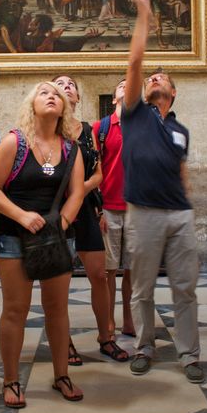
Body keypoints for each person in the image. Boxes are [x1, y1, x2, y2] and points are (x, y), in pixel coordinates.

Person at [0, 82, 87, 407]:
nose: (52, 95)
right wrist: (23, 216)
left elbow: (77, 193)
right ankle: (11, 380)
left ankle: (62, 375)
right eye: (44, 92)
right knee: (16, 310)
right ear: (32, 104)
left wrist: (61, 225)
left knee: (57, 311)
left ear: (65, 107)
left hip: (55, 239)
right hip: (13, 236)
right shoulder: (15, 142)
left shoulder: (71, 148)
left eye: (56, 93)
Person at [121, 0, 203, 383]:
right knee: (143, 289)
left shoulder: (181, 129)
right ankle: (144, 346)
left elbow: (182, 170)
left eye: (162, 77)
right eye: (151, 77)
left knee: (185, 288)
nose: (154, 78)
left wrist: (187, 208)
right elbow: (135, 62)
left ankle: (189, 354)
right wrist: (144, 16)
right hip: (145, 213)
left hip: (179, 214)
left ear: (173, 92)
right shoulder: (134, 114)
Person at [52, 75, 129, 364]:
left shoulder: (86, 130)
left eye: (71, 83)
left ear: (77, 97)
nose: (67, 85)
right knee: (61, 280)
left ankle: (106, 337)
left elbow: (98, 173)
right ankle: (65, 342)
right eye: (59, 83)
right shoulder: (45, 127)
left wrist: (79, 192)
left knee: (99, 274)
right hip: (56, 211)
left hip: (83, 208)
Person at [92, 79, 135, 339]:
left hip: (137, 210)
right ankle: (108, 320)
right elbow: (94, 169)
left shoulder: (144, 128)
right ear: (115, 97)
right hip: (109, 206)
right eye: (122, 85)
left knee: (132, 270)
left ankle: (128, 319)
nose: (127, 87)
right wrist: (98, 211)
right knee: (108, 269)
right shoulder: (102, 127)